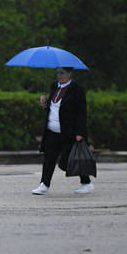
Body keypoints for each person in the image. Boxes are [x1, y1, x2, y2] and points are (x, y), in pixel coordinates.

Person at [32, 67, 93, 195]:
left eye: (62, 73)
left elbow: (82, 113)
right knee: (49, 158)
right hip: (51, 131)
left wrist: (80, 133)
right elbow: (53, 109)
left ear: (70, 73)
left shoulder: (77, 89)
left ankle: (86, 183)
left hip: (69, 132)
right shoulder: (54, 86)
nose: (59, 75)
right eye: (57, 72)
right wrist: (44, 104)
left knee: (70, 160)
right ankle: (44, 184)